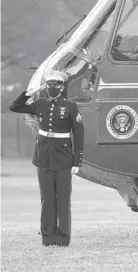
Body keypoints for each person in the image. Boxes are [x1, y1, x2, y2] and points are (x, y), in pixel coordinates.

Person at [9, 70, 85, 246]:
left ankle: (63, 237)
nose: (52, 88)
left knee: (63, 199)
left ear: (62, 86)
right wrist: (30, 93)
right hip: (43, 158)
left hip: (64, 158)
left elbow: (79, 135)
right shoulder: (39, 103)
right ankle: (48, 237)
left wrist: (77, 161)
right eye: (49, 85)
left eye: (56, 85)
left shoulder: (71, 106)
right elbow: (15, 107)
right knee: (47, 199)